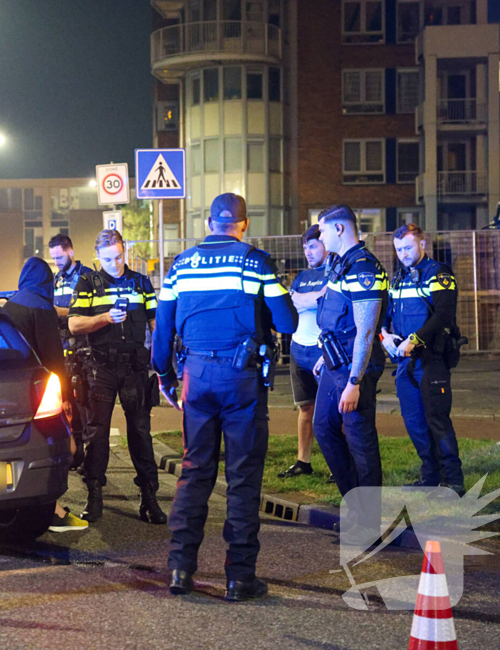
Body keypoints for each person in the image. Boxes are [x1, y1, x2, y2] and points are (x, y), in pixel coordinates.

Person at [152, 193, 297, 602]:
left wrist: (165, 376)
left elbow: (162, 330)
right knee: (243, 477)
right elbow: (287, 321)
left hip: (195, 376)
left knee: (194, 472)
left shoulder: (181, 265)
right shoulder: (255, 262)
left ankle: (180, 569)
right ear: (244, 224)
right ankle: (239, 578)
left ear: (209, 224)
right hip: (241, 379)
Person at [68, 229, 165, 525]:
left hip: (134, 367)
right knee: (97, 434)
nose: (115, 264)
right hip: (101, 368)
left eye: (119, 257)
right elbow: (74, 324)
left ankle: (149, 497)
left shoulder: (141, 282)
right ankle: (94, 495)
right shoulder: (88, 283)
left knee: (141, 432)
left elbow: (155, 324)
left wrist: (163, 364)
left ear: (125, 251)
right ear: (98, 256)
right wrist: (105, 318)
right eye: (108, 259)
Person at [311, 205, 388, 525]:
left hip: (354, 368)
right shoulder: (341, 264)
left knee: (360, 441)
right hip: (335, 361)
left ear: (340, 229)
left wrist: (355, 382)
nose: (320, 237)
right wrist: (325, 355)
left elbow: (366, 332)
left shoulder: (363, 269)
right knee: (323, 427)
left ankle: (369, 520)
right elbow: (337, 319)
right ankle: (355, 505)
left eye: (323, 230)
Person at [3, 257, 89, 533]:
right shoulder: (42, 308)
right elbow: (53, 359)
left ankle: (26, 503)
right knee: (58, 447)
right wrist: (64, 398)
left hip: (12, 390)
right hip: (40, 392)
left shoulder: (10, 305)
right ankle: (54, 510)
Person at [380, 224, 465, 495]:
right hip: (405, 363)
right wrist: (384, 335)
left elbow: (443, 315)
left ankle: (454, 482)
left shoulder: (438, 274)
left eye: (408, 247)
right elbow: (387, 315)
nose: (403, 254)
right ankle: (430, 477)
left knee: (437, 421)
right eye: (398, 249)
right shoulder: (399, 278)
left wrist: (414, 340)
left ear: (422, 244)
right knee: (414, 423)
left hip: (431, 360)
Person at [279, 224, 329, 480]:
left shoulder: (334, 273)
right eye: (305, 247)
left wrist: (303, 298)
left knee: (332, 411)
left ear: (326, 244)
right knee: (305, 408)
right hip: (298, 350)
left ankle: (339, 463)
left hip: (323, 352)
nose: (308, 252)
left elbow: (325, 300)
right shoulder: (302, 276)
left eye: (313, 246)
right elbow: (291, 302)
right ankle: (303, 461)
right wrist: (312, 298)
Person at [49, 234, 92, 470]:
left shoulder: (86, 277)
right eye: (53, 258)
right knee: (69, 406)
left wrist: (59, 312)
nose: (56, 262)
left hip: (83, 348)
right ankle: (76, 454)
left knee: (86, 404)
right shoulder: (56, 280)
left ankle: (90, 458)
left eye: (59, 257)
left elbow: (90, 310)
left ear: (71, 252)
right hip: (62, 348)